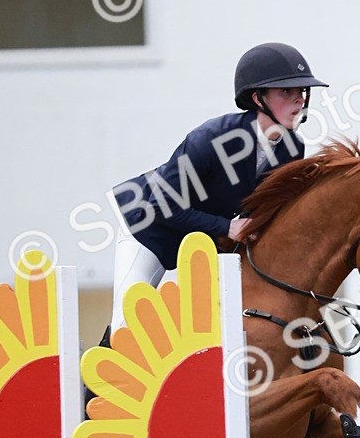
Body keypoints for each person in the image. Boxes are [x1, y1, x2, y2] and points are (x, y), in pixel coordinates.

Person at [107, 42, 327, 333]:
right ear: (258, 98)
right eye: (286, 92)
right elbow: (161, 205)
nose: (299, 100)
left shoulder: (291, 147)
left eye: (301, 91)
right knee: (128, 327)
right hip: (148, 225)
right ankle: (91, 377)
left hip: (202, 238)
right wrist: (227, 227)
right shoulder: (212, 138)